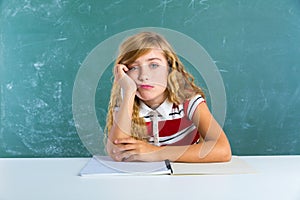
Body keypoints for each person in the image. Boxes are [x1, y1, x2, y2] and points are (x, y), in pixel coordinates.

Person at [105, 31, 231, 162]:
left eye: (154, 65)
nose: (143, 76)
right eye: (133, 68)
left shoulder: (189, 102)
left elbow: (223, 150)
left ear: (169, 68)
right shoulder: (127, 104)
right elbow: (117, 152)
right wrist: (129, 91)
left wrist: (155, 152)